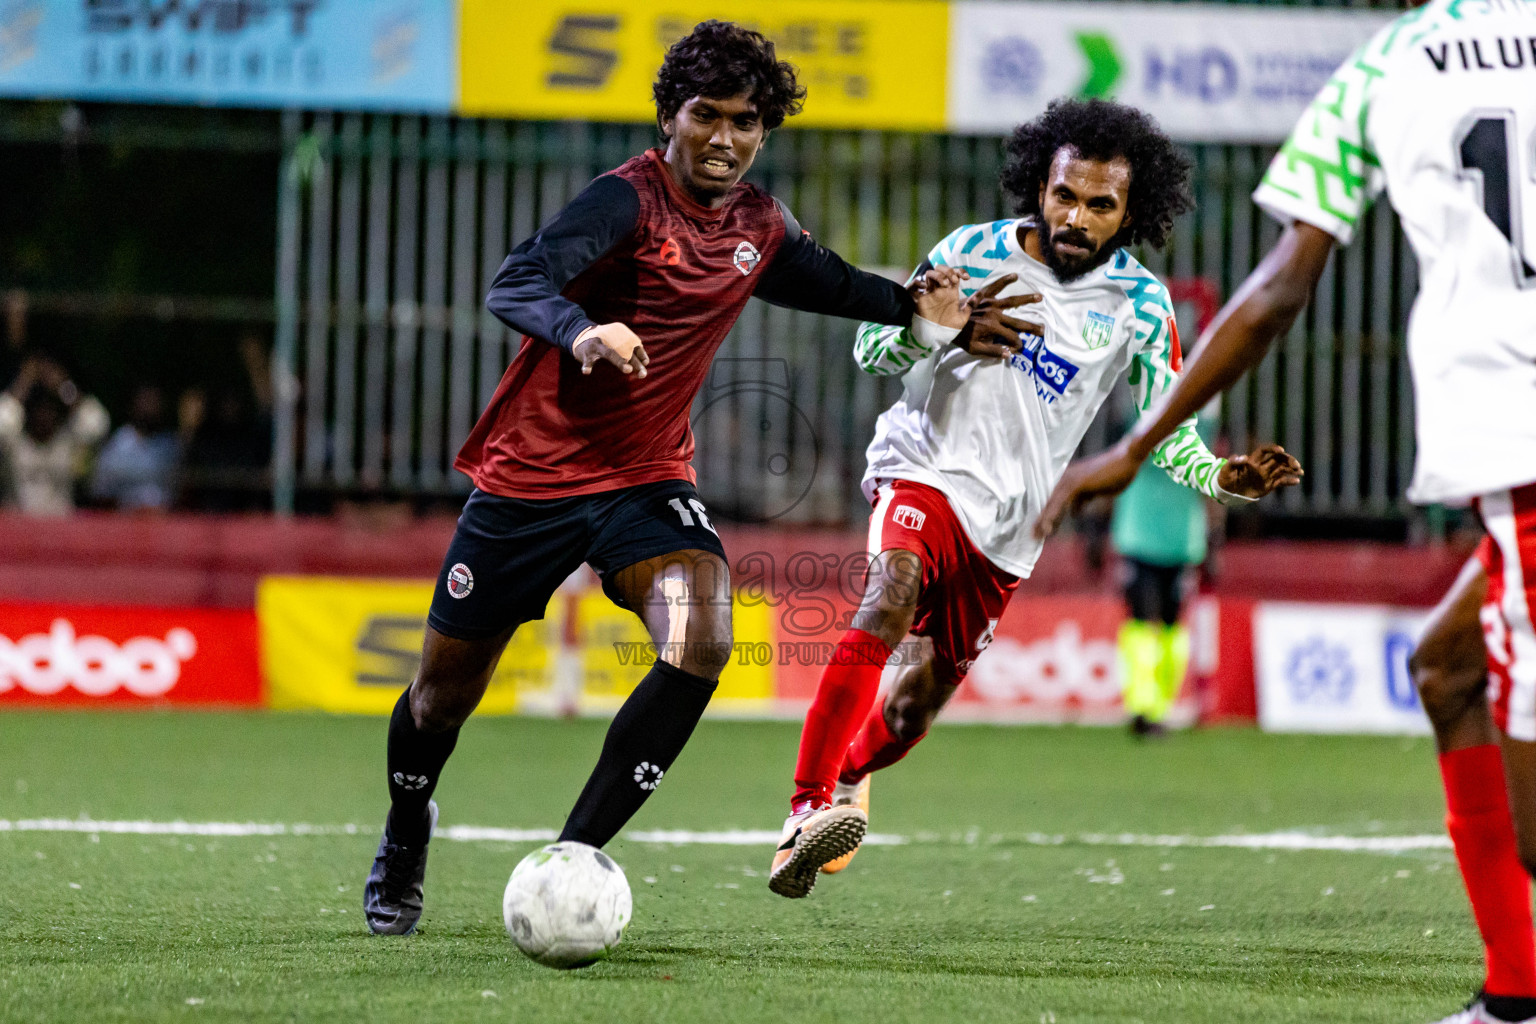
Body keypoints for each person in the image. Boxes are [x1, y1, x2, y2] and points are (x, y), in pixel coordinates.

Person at [362, 20, 962, 936]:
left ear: (767, 131)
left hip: (646, 480)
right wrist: (581, 331)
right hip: (530, 480)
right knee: (440, 697)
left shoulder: (757, 223)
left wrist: (921, 312)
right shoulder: (624, 204)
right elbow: (516, 281)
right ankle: (409, 823)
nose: (726, 138)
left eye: (748, 122)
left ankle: (574, 856)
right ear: (669, 118)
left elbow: (828, 280)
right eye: (707, 115)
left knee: (702, 638)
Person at [1037, 2, 1536, 1019]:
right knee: (1446, 670)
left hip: (1518, 433)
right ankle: (1516, 994)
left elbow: (1277, 290)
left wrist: (1134, 446)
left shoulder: (1388, 62)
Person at [767, 98, 1303, 899]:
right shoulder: (971, 250)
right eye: (1064, 195)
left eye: (1099, 205)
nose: (1076, 217)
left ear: (1131, 212)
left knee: (911, 713)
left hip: (1010, 529)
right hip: (926, 467)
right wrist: (932, 325)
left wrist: (1223, 477)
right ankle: (802, 814)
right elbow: (873, 347)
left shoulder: (1142, 307)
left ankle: (848, 774)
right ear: (1039, 184)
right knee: (889, 594)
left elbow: (1167, 433)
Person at [1110, 406, 1223, 737]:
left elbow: (1212, 480)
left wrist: (1212, 540)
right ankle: (1143, 709)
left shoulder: (1203, 425)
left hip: (1179, 540)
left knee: (1171, 627)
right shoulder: (1137, 415)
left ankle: (1157, 706)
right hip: (1140, 537)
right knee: (1145, 622)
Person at [0, 351, 109, 516]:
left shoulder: (67, 441)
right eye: (39, 410)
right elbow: (3, 423)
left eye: (50, 410)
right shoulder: (15, 443)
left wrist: (63, 386)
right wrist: (24, 382)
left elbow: (97, 425)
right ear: (29, 412)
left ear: (58, 413)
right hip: (17, 532)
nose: (44, 416)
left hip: (61, 533)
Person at [88, 382, 181, 512]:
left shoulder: (171, 445)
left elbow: (182, 493)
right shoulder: (117, 444)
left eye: (155, 402)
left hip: (166, 523)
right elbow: (101, 492)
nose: (150, 407)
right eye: (145, 401)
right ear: (132, 406)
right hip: (124, 523)